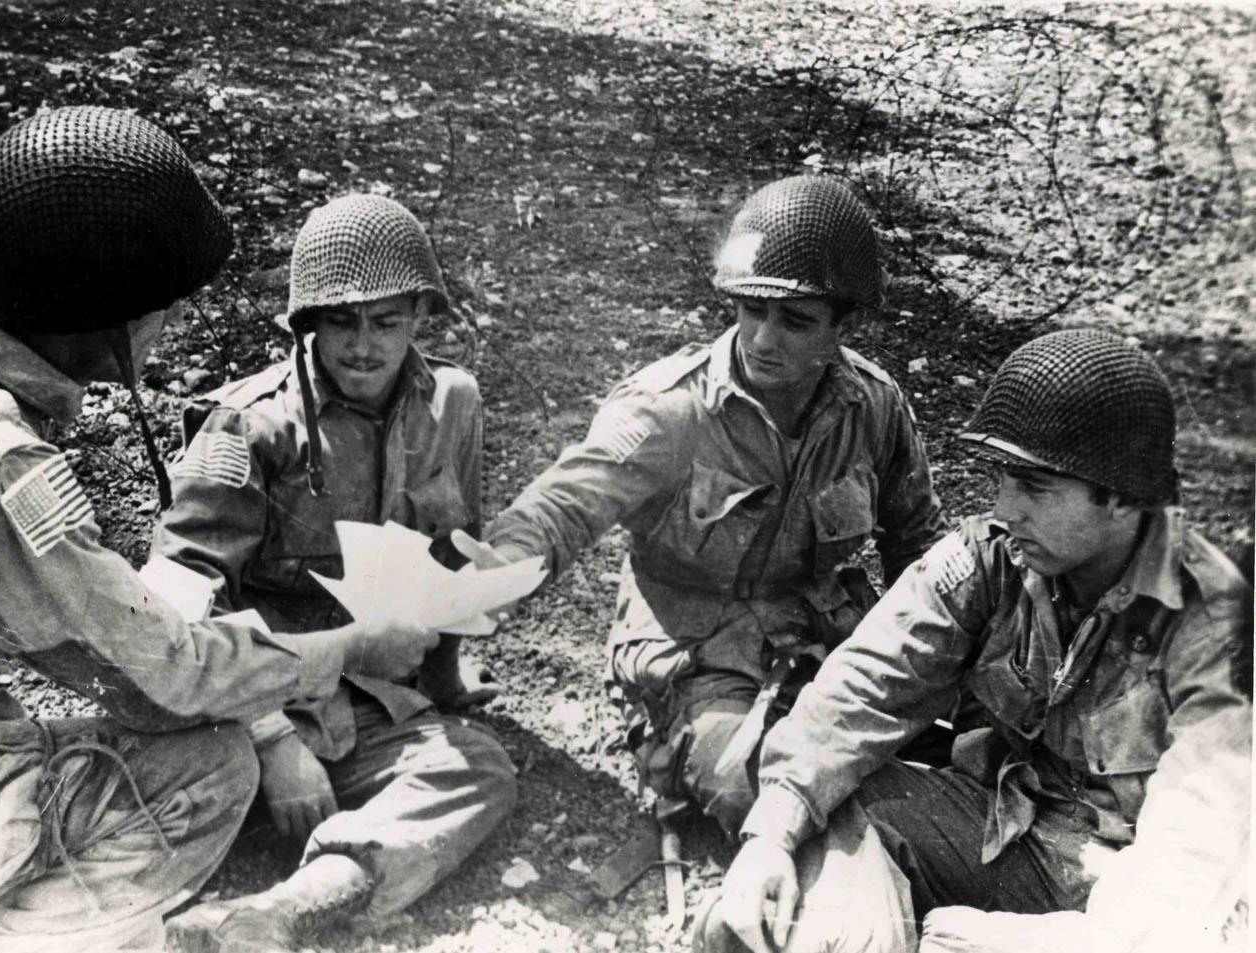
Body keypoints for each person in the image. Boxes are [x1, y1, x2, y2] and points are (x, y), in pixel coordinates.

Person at [0, 107, 437, 953]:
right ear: (107, 316)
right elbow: (166, 672)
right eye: (160, 309)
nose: (168, 329)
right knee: (212, 765)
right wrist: (352, 647)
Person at [702, 329, 1252, 953]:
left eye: (1035, 486)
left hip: (1139, 893)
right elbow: (859, 692)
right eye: (1003, 478)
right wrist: (768, 838)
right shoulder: (992, 560)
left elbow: (1192, 864)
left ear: (1122, 498)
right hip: (1012, 835)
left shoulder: (1215, 624)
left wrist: (1015, 942)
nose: (1006, 507)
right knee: (827, 820)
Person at [461, 175, 945, 834]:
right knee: (757, 788)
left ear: (842, 326)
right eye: (751, 310)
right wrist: (491, 576)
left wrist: (936, 666)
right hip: (695, 654)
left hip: (822, 639)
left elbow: (920, 548)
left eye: (796, 320)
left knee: (940, 758)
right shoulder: (672, 408)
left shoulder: (872, 406)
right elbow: (564, 506)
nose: (763, 339)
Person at [153, 194, 518, 952]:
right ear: (306, 324)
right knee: (148, 802)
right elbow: (179, 603)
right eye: (342, 322)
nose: (362, 346)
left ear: (421, 315)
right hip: (246, 710)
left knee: (480, 768)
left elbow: (451, 555)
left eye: (386, 321)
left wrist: (446, 674)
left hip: (365, 706)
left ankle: (289, 910)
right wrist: (273, 743)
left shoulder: (452, 403)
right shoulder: (249, 425)